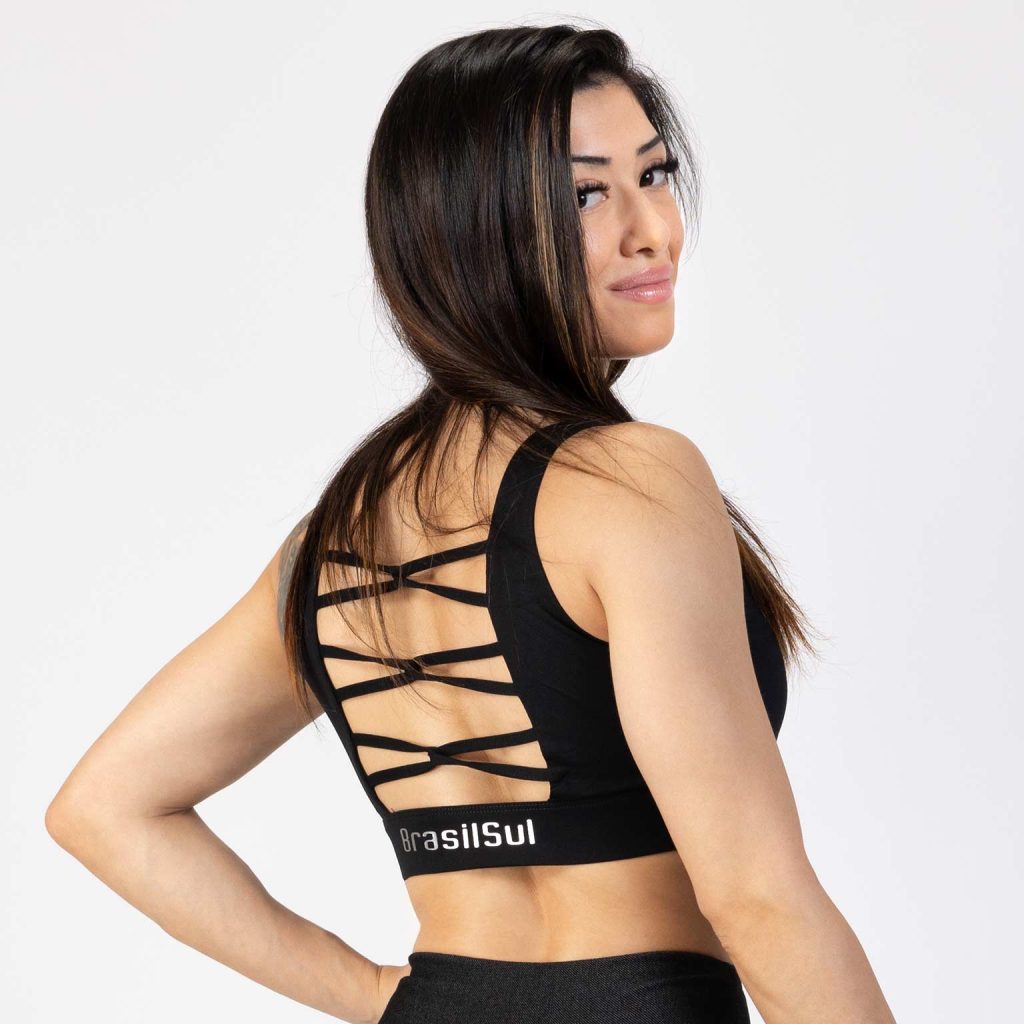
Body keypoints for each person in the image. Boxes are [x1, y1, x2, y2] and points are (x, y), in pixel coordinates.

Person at [45, 23, 898, 1024]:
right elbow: (757, 900)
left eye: (654, 176)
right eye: (586, 195)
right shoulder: (635, 480)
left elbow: (106, 808)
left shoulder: (341, 538)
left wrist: (380, 997)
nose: (651, 231)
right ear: (474, 232)